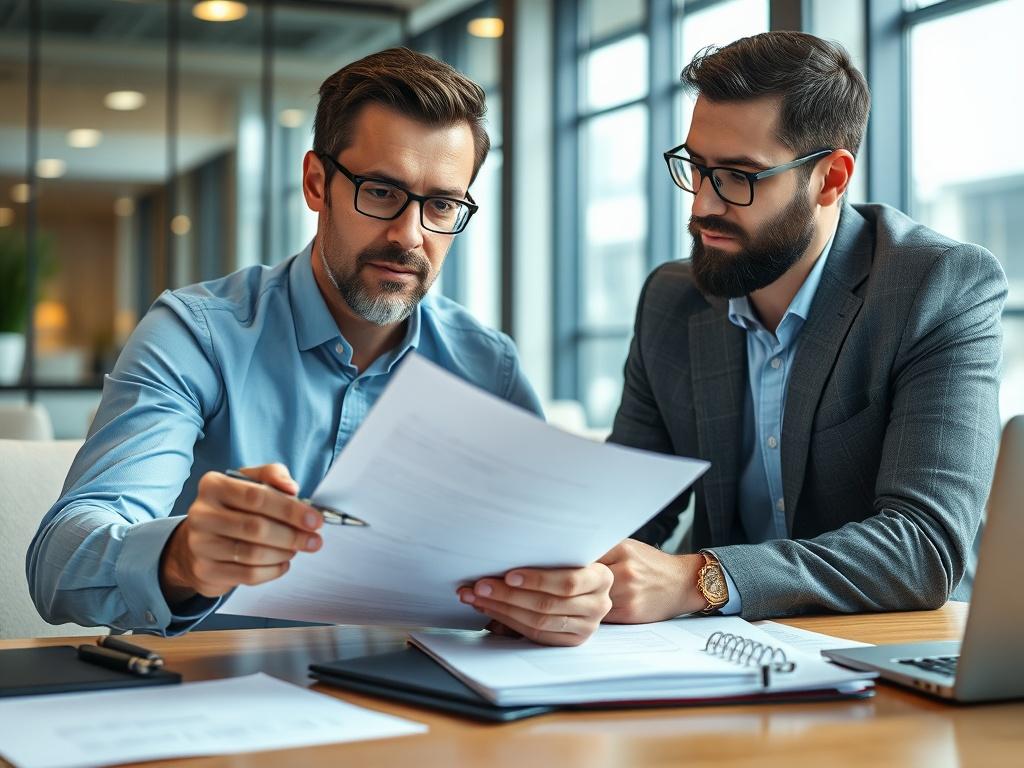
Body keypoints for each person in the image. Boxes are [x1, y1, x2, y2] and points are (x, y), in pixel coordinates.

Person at [27, 48, 611, 645]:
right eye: (381, 191)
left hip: (432, 703)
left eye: (440, 205)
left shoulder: (488, 365)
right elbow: (59, 565)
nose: (409, 234)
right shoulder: (197, 335)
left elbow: (547, 557)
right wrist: (180, 558)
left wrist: (566, 598)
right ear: (315, 183)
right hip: (222, 697)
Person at [485, 31, 1005, 626]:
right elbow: (624, 510)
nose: (703, 205)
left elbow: (923, 549)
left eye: (738, 176)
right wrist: (545, 581)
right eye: (697, 168)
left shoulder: (936, 286)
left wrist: (696, 578)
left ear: (831, 179)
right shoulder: (671, 300)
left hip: (893, 650)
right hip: (727, 657)